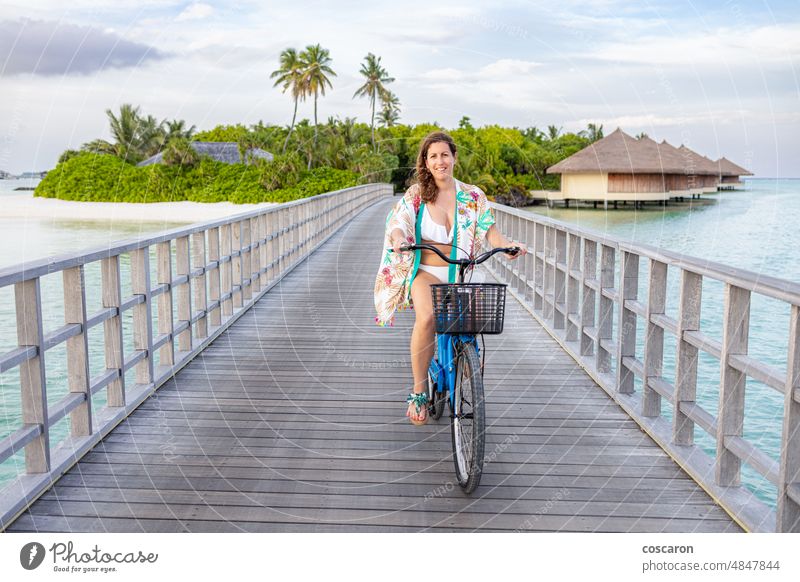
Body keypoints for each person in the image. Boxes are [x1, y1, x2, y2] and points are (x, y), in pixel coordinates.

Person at [374, 131, 527, 425]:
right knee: (428, 317)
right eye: (433, 156)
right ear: (426, 162)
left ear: (454, 158)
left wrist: (507, 246)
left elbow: (489, 230)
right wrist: (396, 238)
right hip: (427, 272)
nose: (440, 161)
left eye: (445, 154)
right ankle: (419, 392)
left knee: (471, 339)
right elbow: (399, 221)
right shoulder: (417, 195)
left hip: (461, 273)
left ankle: (462, 362)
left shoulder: (472, 196)